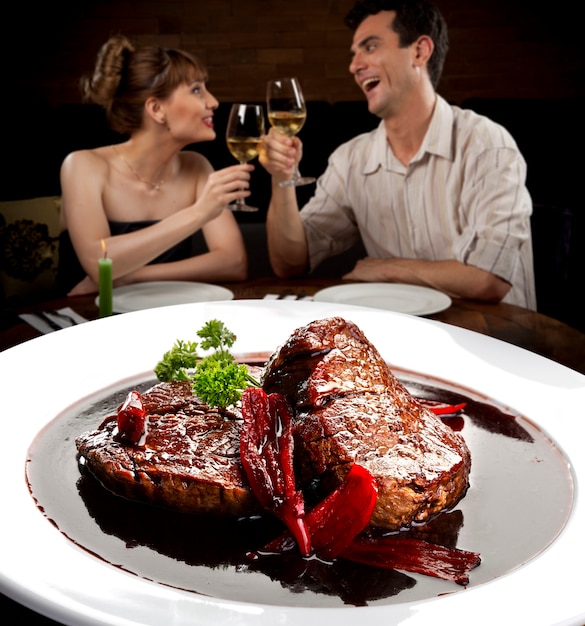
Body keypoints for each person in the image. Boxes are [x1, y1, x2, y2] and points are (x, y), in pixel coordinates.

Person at [259, 0, 536, 309]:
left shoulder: (487, 144)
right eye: (354, 54)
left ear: (420, 52)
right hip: (403, 337)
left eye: (370, 47)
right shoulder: (350, 159)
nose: (354, 66)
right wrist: (281, 178)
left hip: (499, 338)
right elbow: (291, 262)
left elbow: (488, 279)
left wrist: (386, 269)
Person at [58, 34, 250, 295]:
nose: (213, 102)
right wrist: (198, 213)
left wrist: (129, 278)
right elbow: (97, 262)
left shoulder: (196, 166)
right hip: (83, 317)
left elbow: (233, 263)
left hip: (161, 314)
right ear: (157, 109)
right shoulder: (83, 165)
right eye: (196, 90)